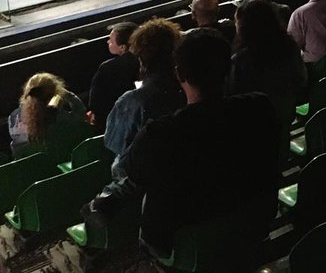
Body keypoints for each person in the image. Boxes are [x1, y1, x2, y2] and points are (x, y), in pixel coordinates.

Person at [124, 29, 279, 257]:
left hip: (185, 241)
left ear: (179, 73)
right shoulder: (260, 106)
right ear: (228, 68)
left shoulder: (158, 134)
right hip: (253, 221)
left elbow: (134, 174)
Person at [83, 19, 185, 220]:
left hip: (140, 180)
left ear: (140, 58)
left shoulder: (133, 101)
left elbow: (114, 143)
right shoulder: (188, 86)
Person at [229, 0, 307, 160]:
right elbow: (300, 79)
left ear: (244, 26)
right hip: (285, 112)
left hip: (256, 126)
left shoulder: (240, 61)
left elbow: (235, 98)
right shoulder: (289, 46)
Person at [8, 72, 88, 156]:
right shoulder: (59, 118)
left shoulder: (14, 118)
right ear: (55, 94)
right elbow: (81, 115)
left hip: (27, 166)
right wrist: (68, 95)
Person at [87, 21, 139, 130]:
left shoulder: (107, 68)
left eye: (111, 40)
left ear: (123, 47)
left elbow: (95, 103)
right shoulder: (146, 60)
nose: (108, 41)